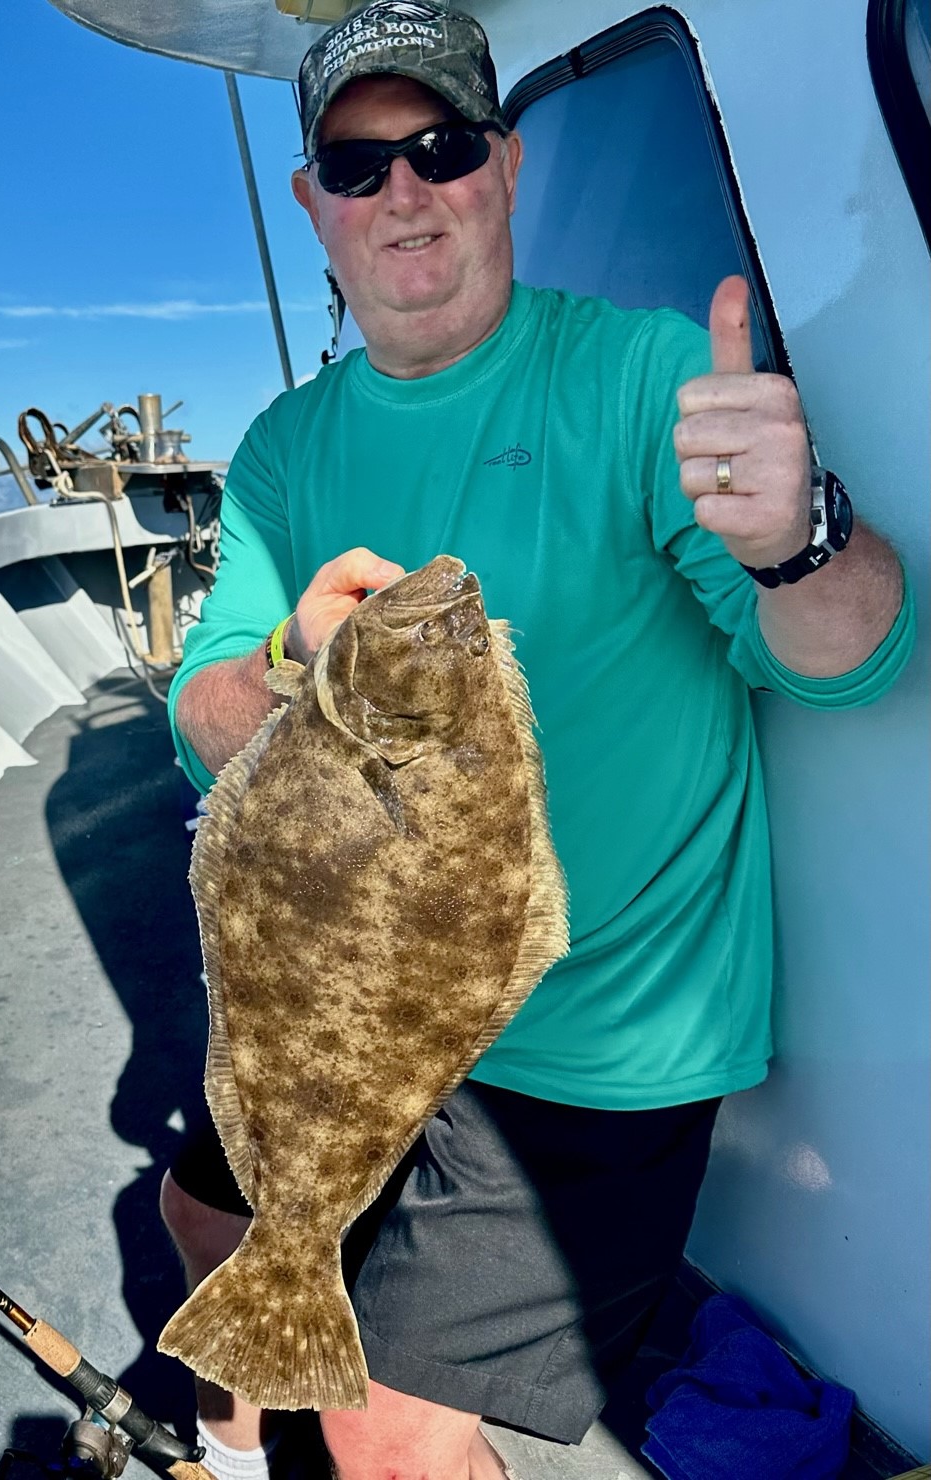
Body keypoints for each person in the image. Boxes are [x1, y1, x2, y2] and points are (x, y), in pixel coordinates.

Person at [160, 4, 914, 1478]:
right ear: (314, 202)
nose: (404, 191)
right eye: (359, 165)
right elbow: (205, 722)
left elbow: (847, 662)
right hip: (371, 997)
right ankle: (234, 1458)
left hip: (594, 1030)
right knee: (206, 1217)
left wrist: (801, 536)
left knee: (385, 1438)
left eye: (442, 149)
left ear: (505, 168)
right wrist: (297, 669)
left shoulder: (636, 377)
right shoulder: (282, 451)